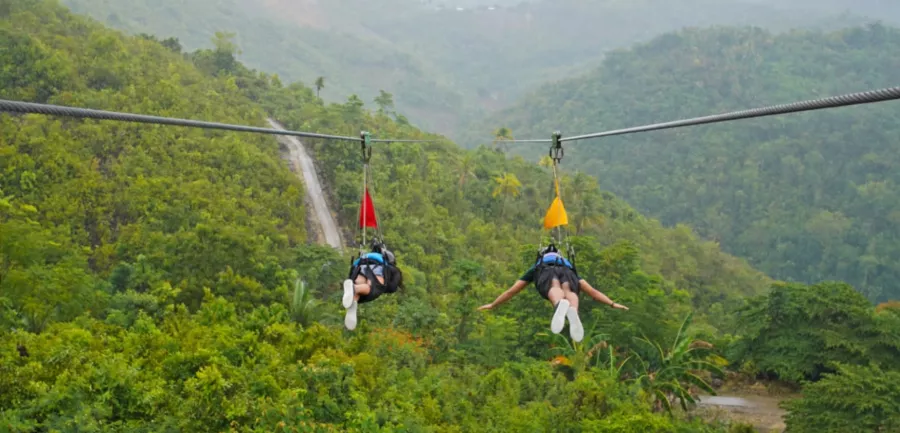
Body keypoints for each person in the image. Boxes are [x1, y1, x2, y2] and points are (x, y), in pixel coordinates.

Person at [478, 244, 628, 342]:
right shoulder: (567, 265)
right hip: (568, 274)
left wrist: (493, 304)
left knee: (553, 285)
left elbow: (511, 291)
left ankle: (558, 303)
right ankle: (573, 310)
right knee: (569, 289)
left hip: (545, 272)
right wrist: (612, 303)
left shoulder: (537, 266)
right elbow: (593, 292)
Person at [342, 241, 402, 330]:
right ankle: (354, 288)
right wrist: (385, 288)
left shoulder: (368, 256)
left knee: (361, 287)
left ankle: (353, 301)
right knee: (374, 287)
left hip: (360, 266)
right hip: (376, 266)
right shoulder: (391, 267)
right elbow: (393, 287)